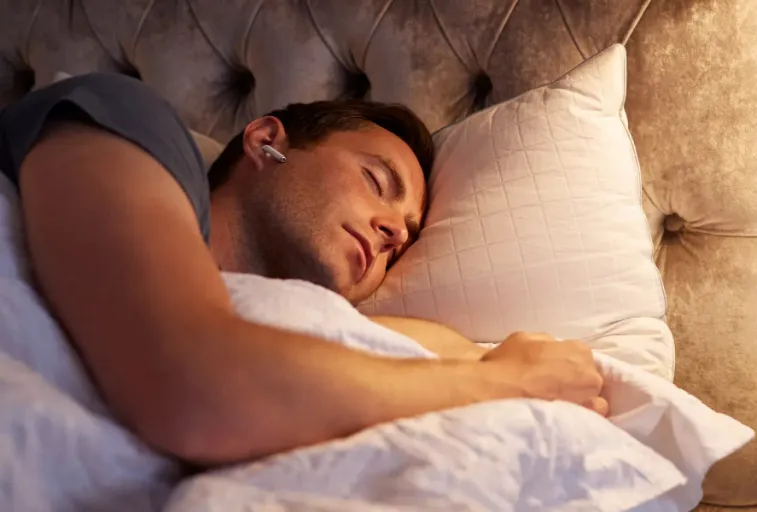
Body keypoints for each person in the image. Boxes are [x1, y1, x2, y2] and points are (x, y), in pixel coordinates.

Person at [0, 72, 607, 466]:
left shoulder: (278, 323)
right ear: (267, 140)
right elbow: (191, 382)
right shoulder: (127, 119)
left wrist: (496, 360)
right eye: (377, 181)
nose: (394, 230)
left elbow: (427, 347)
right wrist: (504, 385)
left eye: (404, 241)